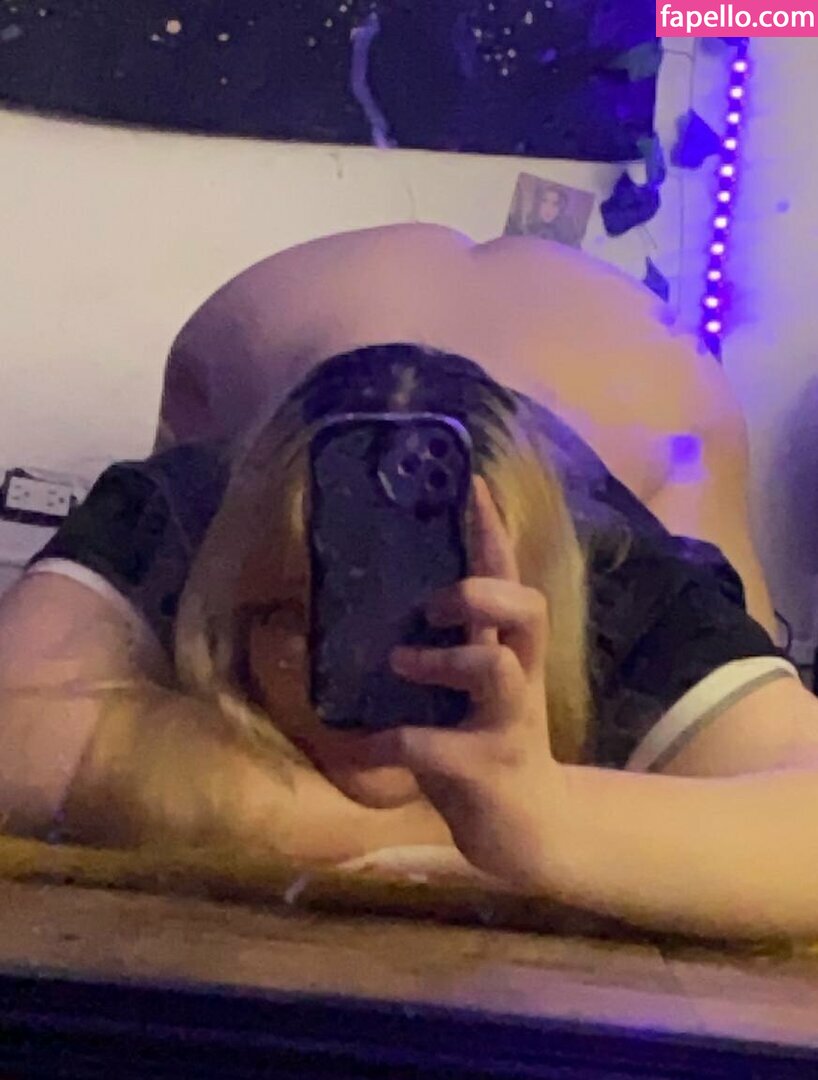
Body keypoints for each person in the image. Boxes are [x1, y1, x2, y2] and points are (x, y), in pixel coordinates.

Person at [2, 224, 818, 943]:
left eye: (436, 627)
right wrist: (497, 831)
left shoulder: (626, 583)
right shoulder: (182, 515)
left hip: (630, 375)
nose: (370, 667)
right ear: (237, 598)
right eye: (300, 617)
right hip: (283, 321)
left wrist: (546, 814)